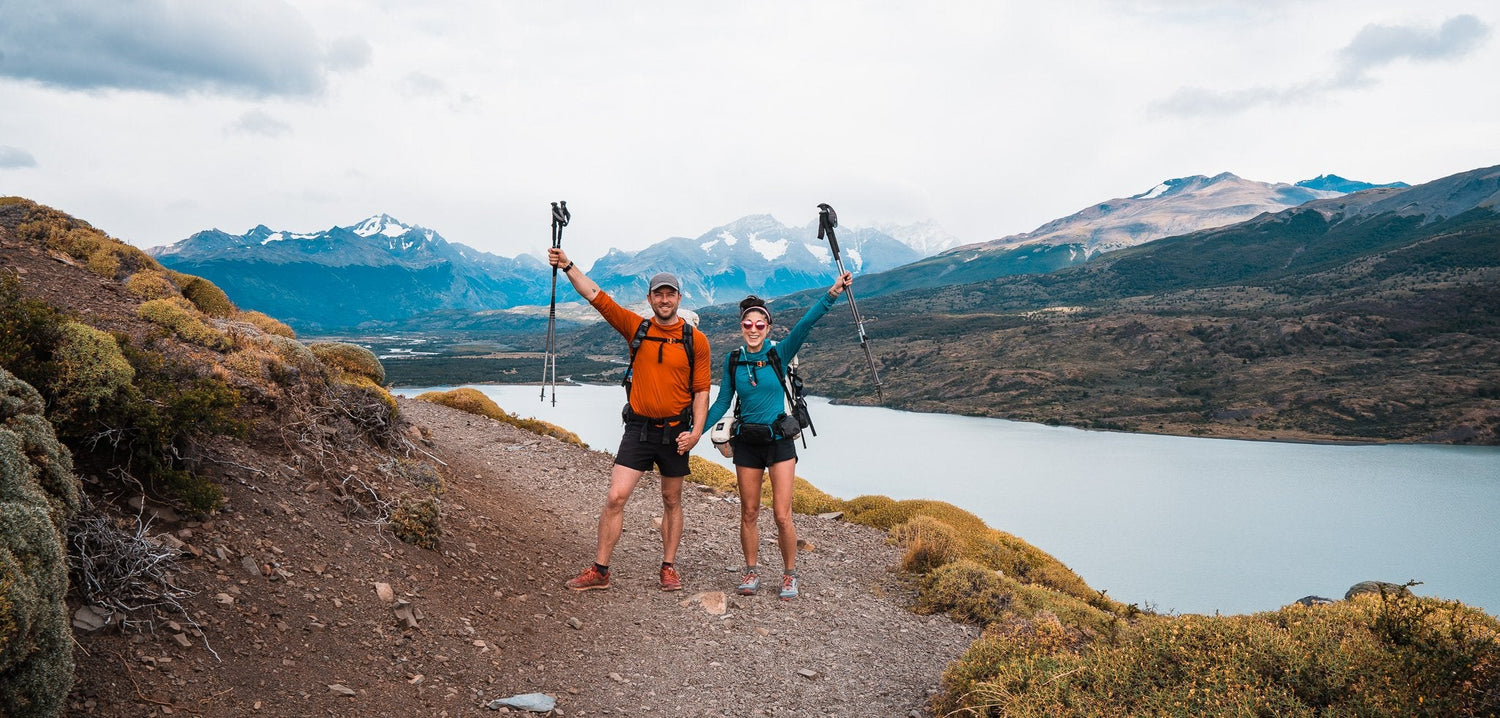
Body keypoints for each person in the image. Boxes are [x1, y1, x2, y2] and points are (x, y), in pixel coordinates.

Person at [548, 248, 711, 592]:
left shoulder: (695, 340)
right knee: (616, 497)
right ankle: (600, 570)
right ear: (649, 298)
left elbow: (701, 391)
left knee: (671, 500)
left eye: (670, 294)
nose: (664, 300)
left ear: (679, 298)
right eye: (658, 294)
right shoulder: (636, 327)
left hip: (676, 432)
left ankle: (668, 567)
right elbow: (597, 297)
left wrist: (696, 432)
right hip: (638, 428)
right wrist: (568, 266)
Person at [704, 272, 852, 600]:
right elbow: (721, 404)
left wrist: (833, 292)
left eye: (760, 325)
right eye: (748, 324)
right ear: (741, 327)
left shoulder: (779, 353)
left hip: (779, 442)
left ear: (768, 328)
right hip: (747, 444)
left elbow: (806, 324)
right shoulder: (733, 361)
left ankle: (789, 574)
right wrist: (692, 433)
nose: (753, 329)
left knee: (782, 514)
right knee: (749, 511)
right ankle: (751, 570)